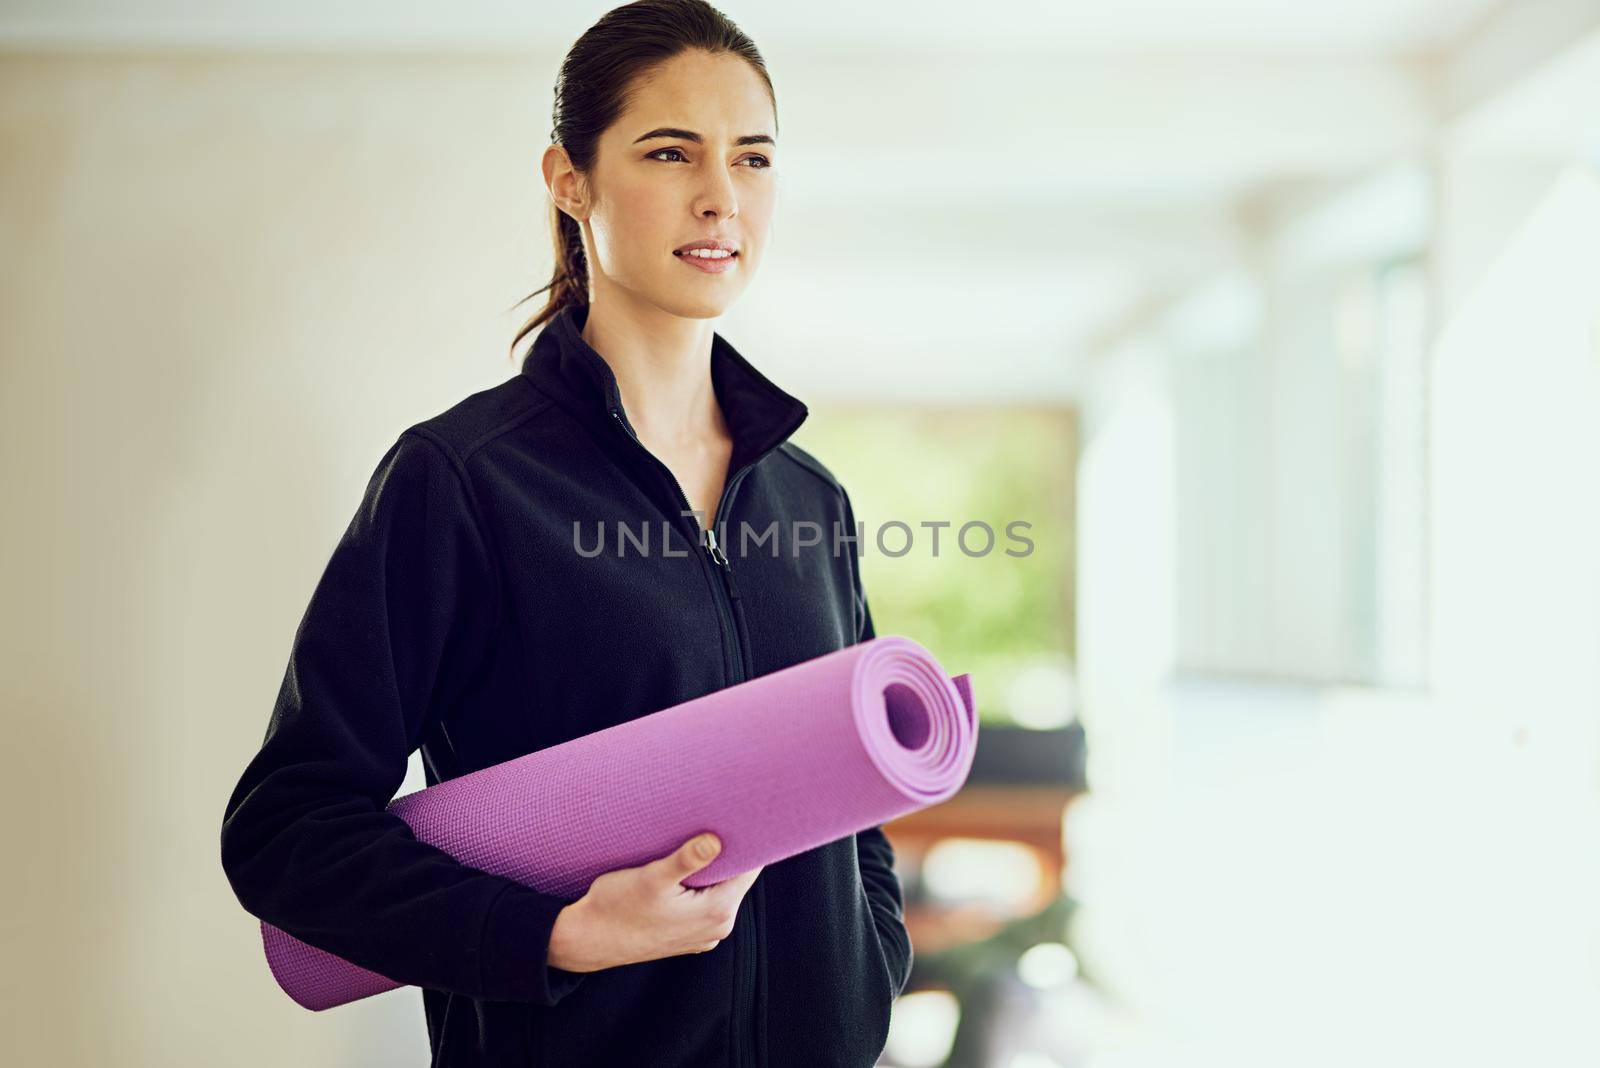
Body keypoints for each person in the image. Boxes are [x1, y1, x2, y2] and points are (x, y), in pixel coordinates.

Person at [218, 2, 911, 1065]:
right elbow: (288, 831)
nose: (721, 197)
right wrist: (551, 937)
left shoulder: (807, 499)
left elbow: (847, 809)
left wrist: (868, 968)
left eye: (753, 158)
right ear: (569, 178)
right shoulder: (464, 481)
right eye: (669, 151)